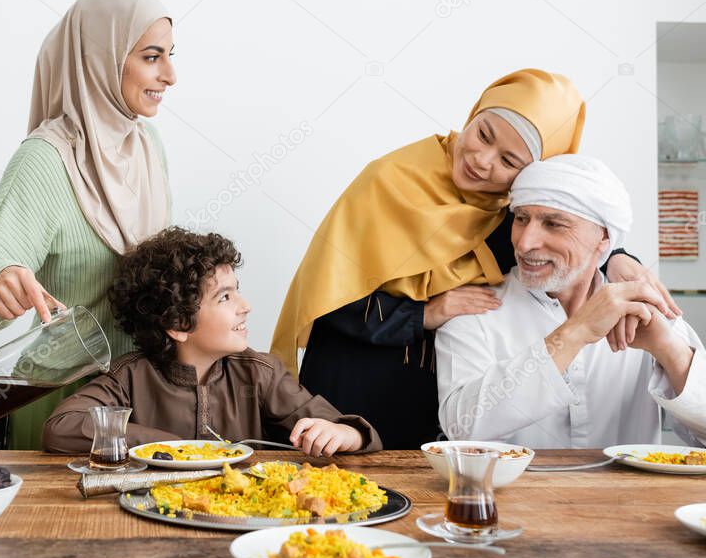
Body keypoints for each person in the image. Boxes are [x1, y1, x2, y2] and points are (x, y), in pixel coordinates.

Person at [271, 69, 678, 449]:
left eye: (509, 161)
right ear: (473, 115)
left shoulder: (508, 217)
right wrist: (425, 313)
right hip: (351, 387)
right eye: (483, 134)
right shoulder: (388, 182)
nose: (482, 160)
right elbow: (328, 299)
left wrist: (617, 257)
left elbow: (570, 234)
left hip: (431, 401)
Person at [0, 0, 175, 449]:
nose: (170, 75)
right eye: (152, 57)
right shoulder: (47, 158)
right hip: (65, 399)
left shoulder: (148, 147)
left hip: (144, 393)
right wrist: (0, 279)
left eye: (170, 55)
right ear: (100, 58)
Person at [436, 155, 705, 448]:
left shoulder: (648, 307)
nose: (525, 243)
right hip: (511, 495)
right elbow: (460, 427)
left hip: (630, 496)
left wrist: (669, 350)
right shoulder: (474, 309)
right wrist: (575, 332)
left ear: (604, 238)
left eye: (553, 224)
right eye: (522, 219)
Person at [43, 228, 381, 457]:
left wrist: (345, 435)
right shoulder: (130, 377)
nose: (245, 305)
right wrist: (173, 446)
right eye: (225, 297)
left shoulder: (260, 373)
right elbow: (60, 428)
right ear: (177, 323)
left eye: (237, 290)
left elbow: (357, 433)